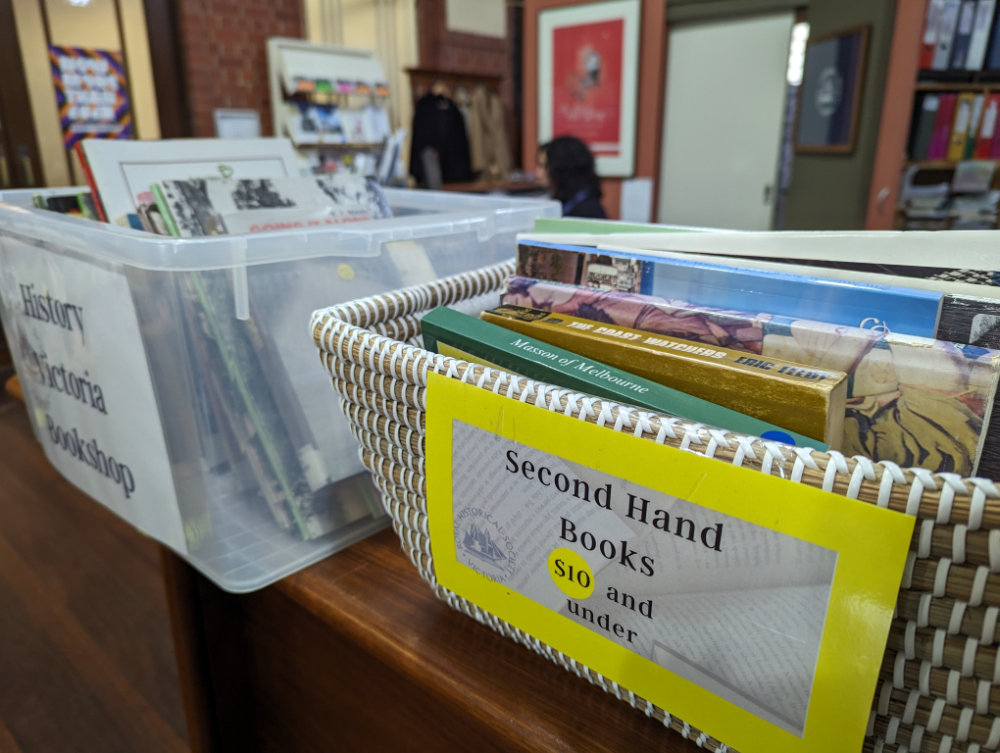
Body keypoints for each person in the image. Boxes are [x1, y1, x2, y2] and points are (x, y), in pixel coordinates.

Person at [537, 136, 607, 219]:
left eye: (544, 166)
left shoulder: (587, 210)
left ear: (562, 169)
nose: (537, 174)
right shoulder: (565, 201)